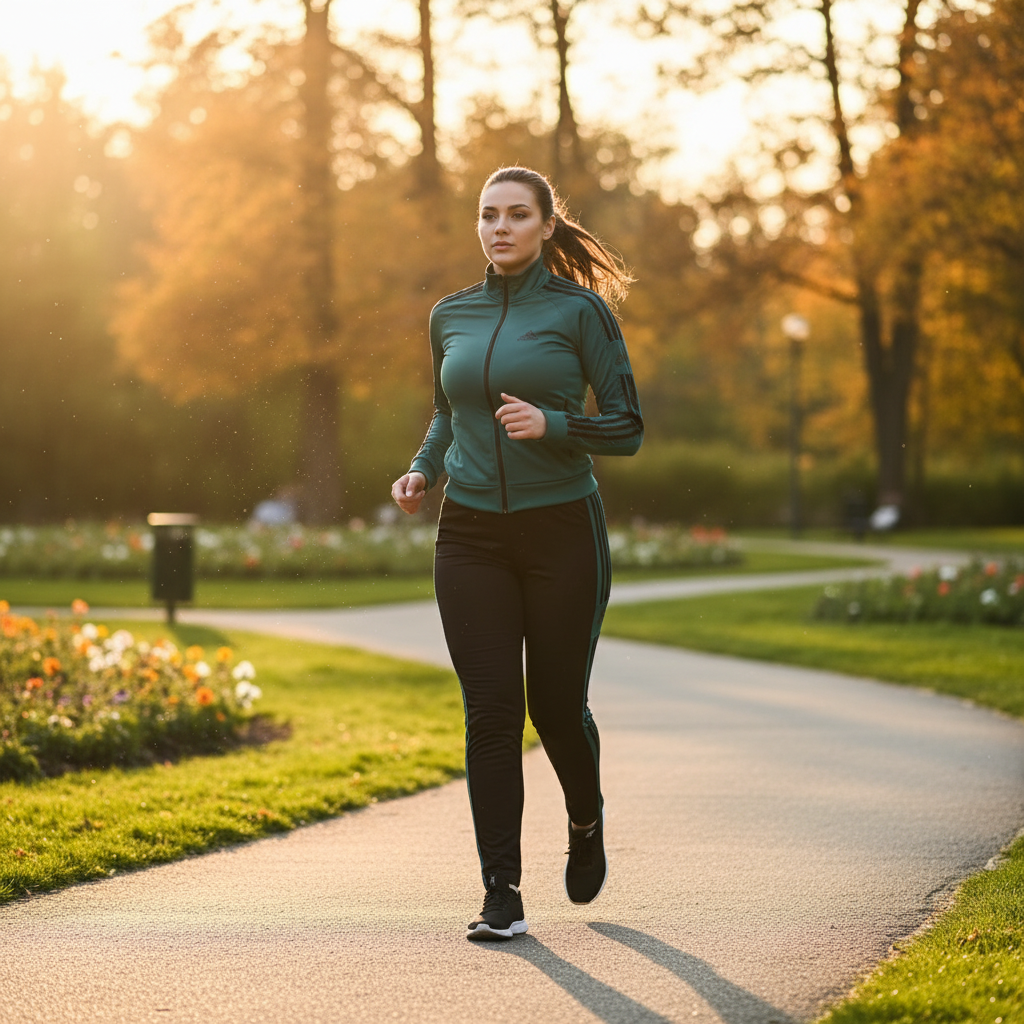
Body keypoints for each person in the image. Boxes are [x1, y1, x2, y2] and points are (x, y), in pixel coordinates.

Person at [391, 166, 643, 941]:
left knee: (556, 708)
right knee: (492, 708)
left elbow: (628, 426)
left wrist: (556, 425)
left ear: (543, 225)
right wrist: (423, 469)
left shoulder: (581, 313)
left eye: (516, 215)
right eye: (488, 215)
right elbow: (448, 412)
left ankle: (587, 819)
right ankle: (501, 891)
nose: (499, 227)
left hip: (563, 528)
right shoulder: (450, 316)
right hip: (470, 535)